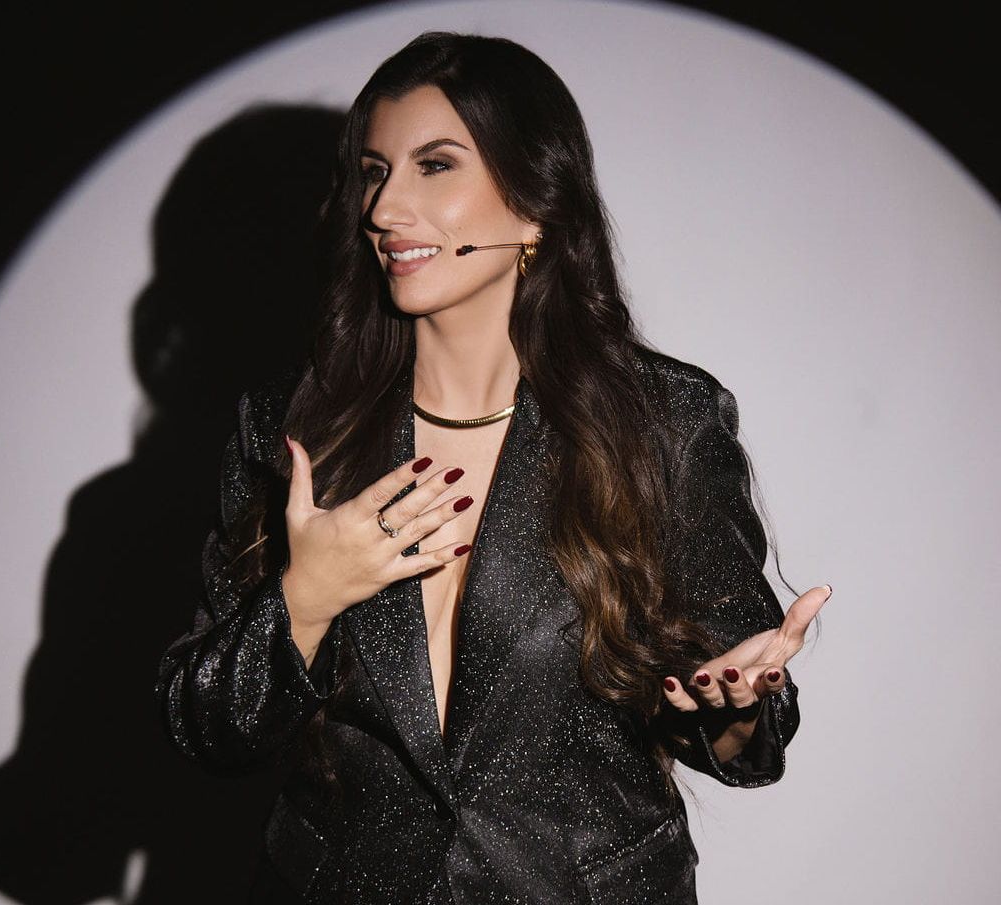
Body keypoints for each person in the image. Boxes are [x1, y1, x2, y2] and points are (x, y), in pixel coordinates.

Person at [156, 31, 829, 905]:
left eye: (435, 166)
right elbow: (205, 725)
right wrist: (306, 597)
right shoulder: (295, 426)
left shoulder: (662, 422)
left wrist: (732, 710)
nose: (384, 208)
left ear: (535, 201)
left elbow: (747, 732)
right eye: (373, 172)